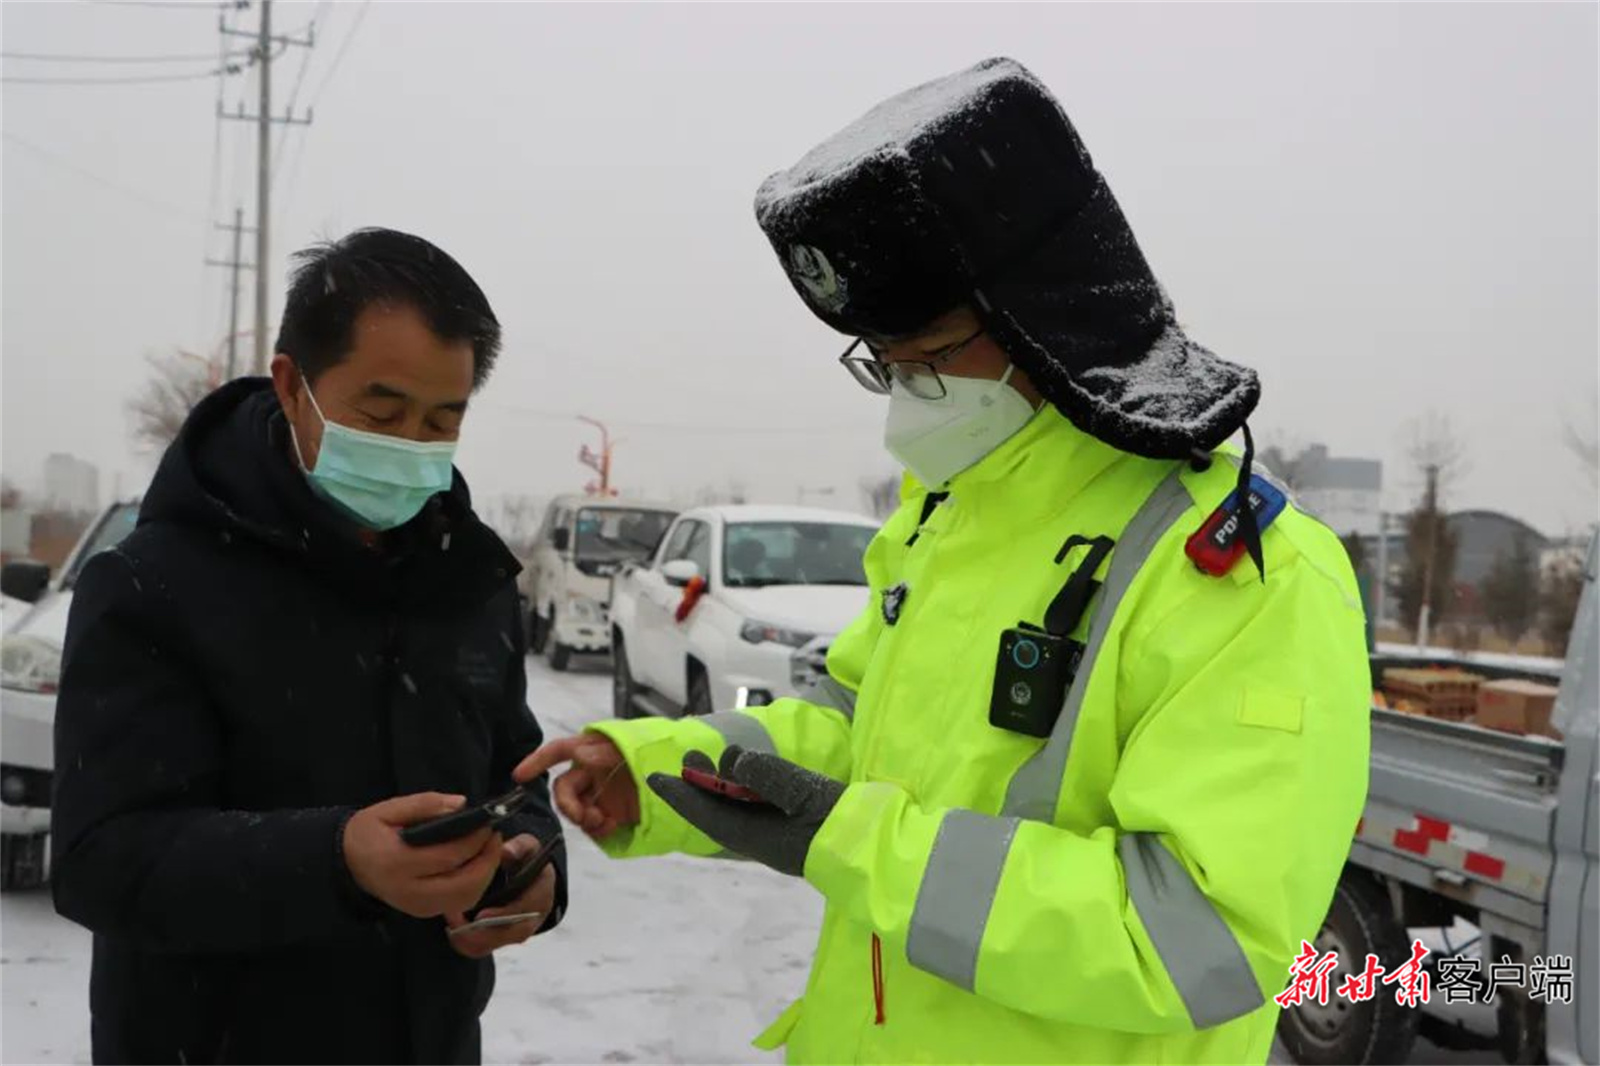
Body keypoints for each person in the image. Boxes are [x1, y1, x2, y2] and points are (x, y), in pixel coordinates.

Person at [517, 58, 1368, 1065]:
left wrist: (856, 844)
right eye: (882, 360)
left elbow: (1199, 938)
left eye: (923, 356)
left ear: (1041, 320)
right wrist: (660, 768)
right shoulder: (949, 519)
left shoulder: (1247, 578)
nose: (902, 391)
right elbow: (856, 730)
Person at [52, 228, 567, 1065]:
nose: (411, 446)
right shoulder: (154, 584)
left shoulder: (464, 582)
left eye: (444, 419)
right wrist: (335, 860)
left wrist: (532, 866)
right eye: (382, 410)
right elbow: (98, 859)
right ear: (293, 386)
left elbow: (510, 771)